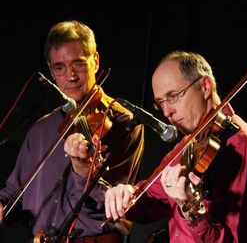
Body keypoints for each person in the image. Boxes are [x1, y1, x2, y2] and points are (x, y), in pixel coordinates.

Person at [102, 50, 247, 242]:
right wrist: (127, 194)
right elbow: (152, 196)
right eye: (160, 103)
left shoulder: (245, 147)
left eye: (173, 96)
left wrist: (188, 209)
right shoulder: (191, 143)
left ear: (205, 86)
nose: (167, 112)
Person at [0, 20, 144, 242]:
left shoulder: (123, 123)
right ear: (51, 70)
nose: (71, 76)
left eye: (79, 64)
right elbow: (15, 192)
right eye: (60, 67)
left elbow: (111, 206)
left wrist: (82, 170)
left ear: (95, 61)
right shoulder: (41, 129)